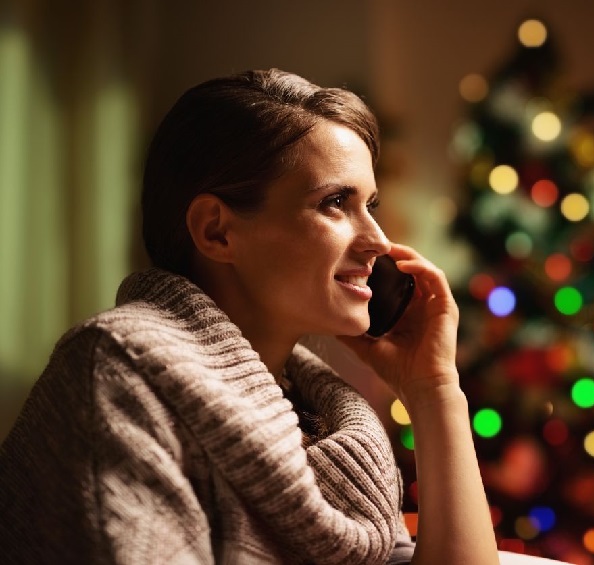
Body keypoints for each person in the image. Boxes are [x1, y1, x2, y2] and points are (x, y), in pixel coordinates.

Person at [0, 68, 503, 564]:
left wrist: (434, 390)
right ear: (216, 231)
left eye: (370, 204)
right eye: (334, 202)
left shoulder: (326, 423)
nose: (377, 241)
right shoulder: (117, 371)